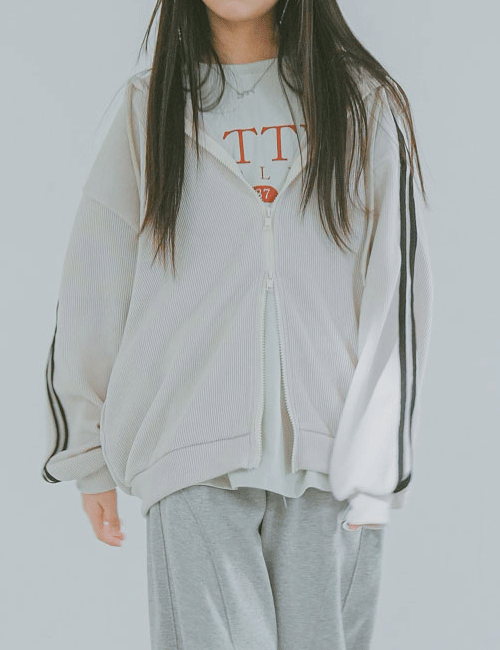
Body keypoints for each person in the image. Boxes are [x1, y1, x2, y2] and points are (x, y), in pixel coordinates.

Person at [41, 1, 434, 648]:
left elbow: (398, 291)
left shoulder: (363, 104)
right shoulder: (150, 110)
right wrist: (85, 453)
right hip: (190, 457)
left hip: (332, 468)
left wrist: (377, 463)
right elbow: (94, 280)